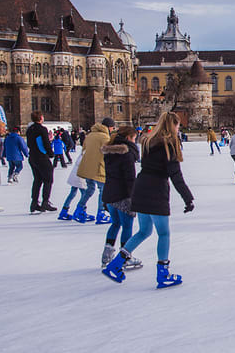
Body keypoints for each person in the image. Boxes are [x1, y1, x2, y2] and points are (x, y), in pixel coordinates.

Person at [102, 112, 195, 289]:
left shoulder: (148, 141)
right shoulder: (169, 145)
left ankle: (115, 264)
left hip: (141, 187)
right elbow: (175, 175)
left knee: (144, 231)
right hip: (156, 191)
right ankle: (163, 273)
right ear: (172, 126)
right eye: (177, 126)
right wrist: (188, 198)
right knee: (164, 233)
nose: (178, 129)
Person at [100, 126, 143, 271]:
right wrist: (134, 197)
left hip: (109, 193)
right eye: (134, 138)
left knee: (115, 223)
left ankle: (106, 255)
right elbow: (130, 177)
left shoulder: (109, 151)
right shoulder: (127, 153)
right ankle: (125, 258)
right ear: (128, 138)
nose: (135, 141)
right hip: (123, 194)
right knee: (127, 225)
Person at [77, 118, 115, 225]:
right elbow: (109, 152)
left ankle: (79, 209)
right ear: (108, 127)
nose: (112, 129)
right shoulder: (104, 137)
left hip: (87, 166)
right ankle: (101, 213)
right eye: (112, 127)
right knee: (103, 190)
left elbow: (84, 149)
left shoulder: (90, 135)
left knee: (90, 189)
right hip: (98, 167)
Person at [26, 111, 56, 213]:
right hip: (41, 157)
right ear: (40, 118)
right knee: (48, 179)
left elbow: (30, 143)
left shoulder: (30, 129)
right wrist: (51, 153)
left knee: (37, 180)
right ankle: (45, 202)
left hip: (32, 157)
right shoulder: (42, 129)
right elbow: (45, 143)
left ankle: (34, 203)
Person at [58, 150, 94, 223]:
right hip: (80, 176)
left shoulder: (84, 152)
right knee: (84, 194)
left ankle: (64, 210)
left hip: (75, 175)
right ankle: (81, 211)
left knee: (73, 193)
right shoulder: (87, 153)